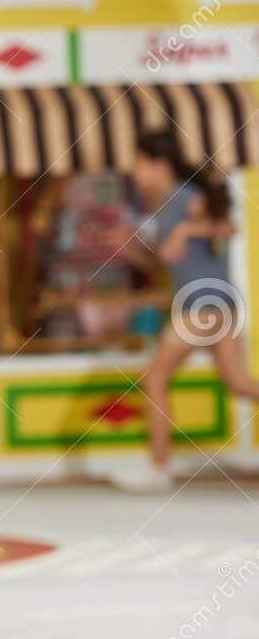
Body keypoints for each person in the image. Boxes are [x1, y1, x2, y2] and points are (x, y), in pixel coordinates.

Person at [111, 129, 259, 492]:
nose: (133, 172)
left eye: (138, 163)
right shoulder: (164, 204)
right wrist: (134, 251)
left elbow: (227, 226)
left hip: (203, 306)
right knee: (239, 384)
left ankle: (159, 468)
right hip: (216, 305)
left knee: (155, 377)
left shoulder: (183, 197)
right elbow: (167, 261)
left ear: (158, 164)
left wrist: (184, 232)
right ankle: (159, 467)